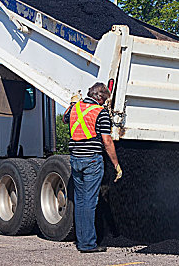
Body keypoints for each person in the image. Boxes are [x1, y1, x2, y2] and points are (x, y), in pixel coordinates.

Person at [63, 82, 122, 253]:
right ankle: (88, 244)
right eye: (105, 100)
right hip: (92, 161)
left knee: (80, 202)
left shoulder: (74, 109)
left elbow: (66, 117)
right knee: (90, 202)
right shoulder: (100, 112)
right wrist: (116, 165)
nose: (105, 104)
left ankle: (82, 241)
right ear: (99, 97)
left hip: (75, 160)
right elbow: (107, 141)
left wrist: (73, 103)